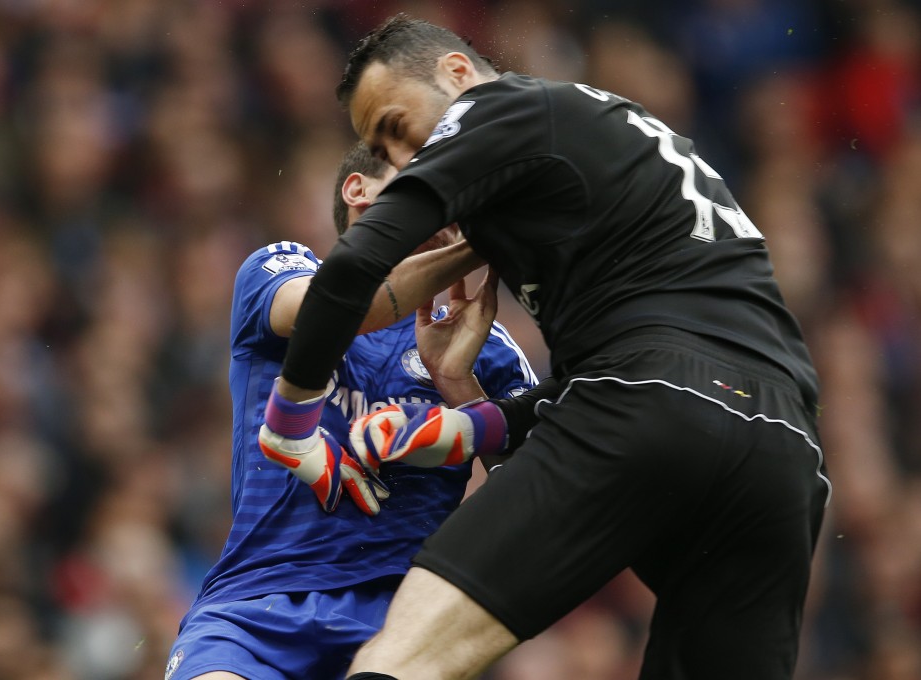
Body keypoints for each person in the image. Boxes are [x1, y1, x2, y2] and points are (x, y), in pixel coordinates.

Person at [257, 14, 832, 680]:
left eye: (392, 125)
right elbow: (661, 390)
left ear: (456, 71)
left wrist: (292, 416)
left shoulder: (501, 107)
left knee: (404, 660)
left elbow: (355, 270)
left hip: (651, 404)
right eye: (380, 150)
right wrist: (464, 399)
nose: (399, 157)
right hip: (785, 459)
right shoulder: (602, 149)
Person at [163, 142, 536, 680]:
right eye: (427, 182)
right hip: (253, 610)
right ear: (358, 190)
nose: (448, 203)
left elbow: (536, 494)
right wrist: (481, 244)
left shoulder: (488, 347)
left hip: (400, 625)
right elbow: (334, 308)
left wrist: (456, 383)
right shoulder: (279, 271)